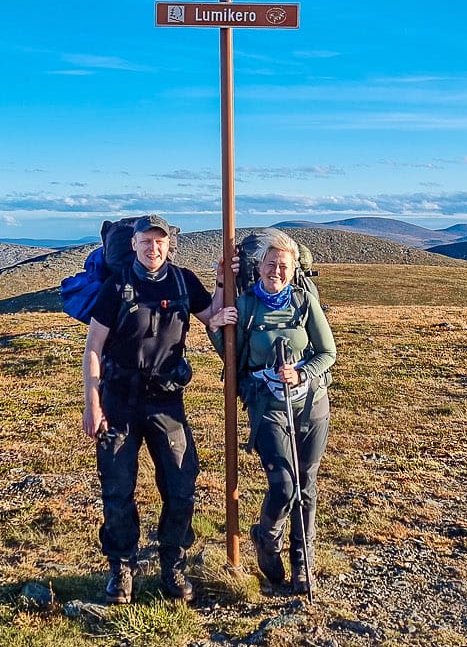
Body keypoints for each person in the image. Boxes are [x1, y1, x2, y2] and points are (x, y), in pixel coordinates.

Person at [82, 214, 236, 605]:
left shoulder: (183, 280)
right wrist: (92, 404)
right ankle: (121, 568)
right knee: (117, 489)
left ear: (170, 245)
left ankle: (173, 563)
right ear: (133, 244)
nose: (154, 248)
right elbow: (94, 348)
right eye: (146, 242)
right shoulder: (116, 285)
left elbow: (210, 316)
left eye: (160, 242)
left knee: (181, 485)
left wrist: (221, 282)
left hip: (167, 401)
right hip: (118, 400)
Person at [215, 229, 336, 593]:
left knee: (307, 485)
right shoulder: (247, 304)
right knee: (284, 485)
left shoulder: (303, 302)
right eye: (270, 264)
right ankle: (266, 539)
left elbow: (327, 352)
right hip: (267, 404)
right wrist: (216, 325)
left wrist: (300, 371)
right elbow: (229, 352)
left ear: (293, 267)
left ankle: (303, 565)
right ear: (260, 267)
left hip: (311, 403)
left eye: (283, 265)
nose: (277, 271)